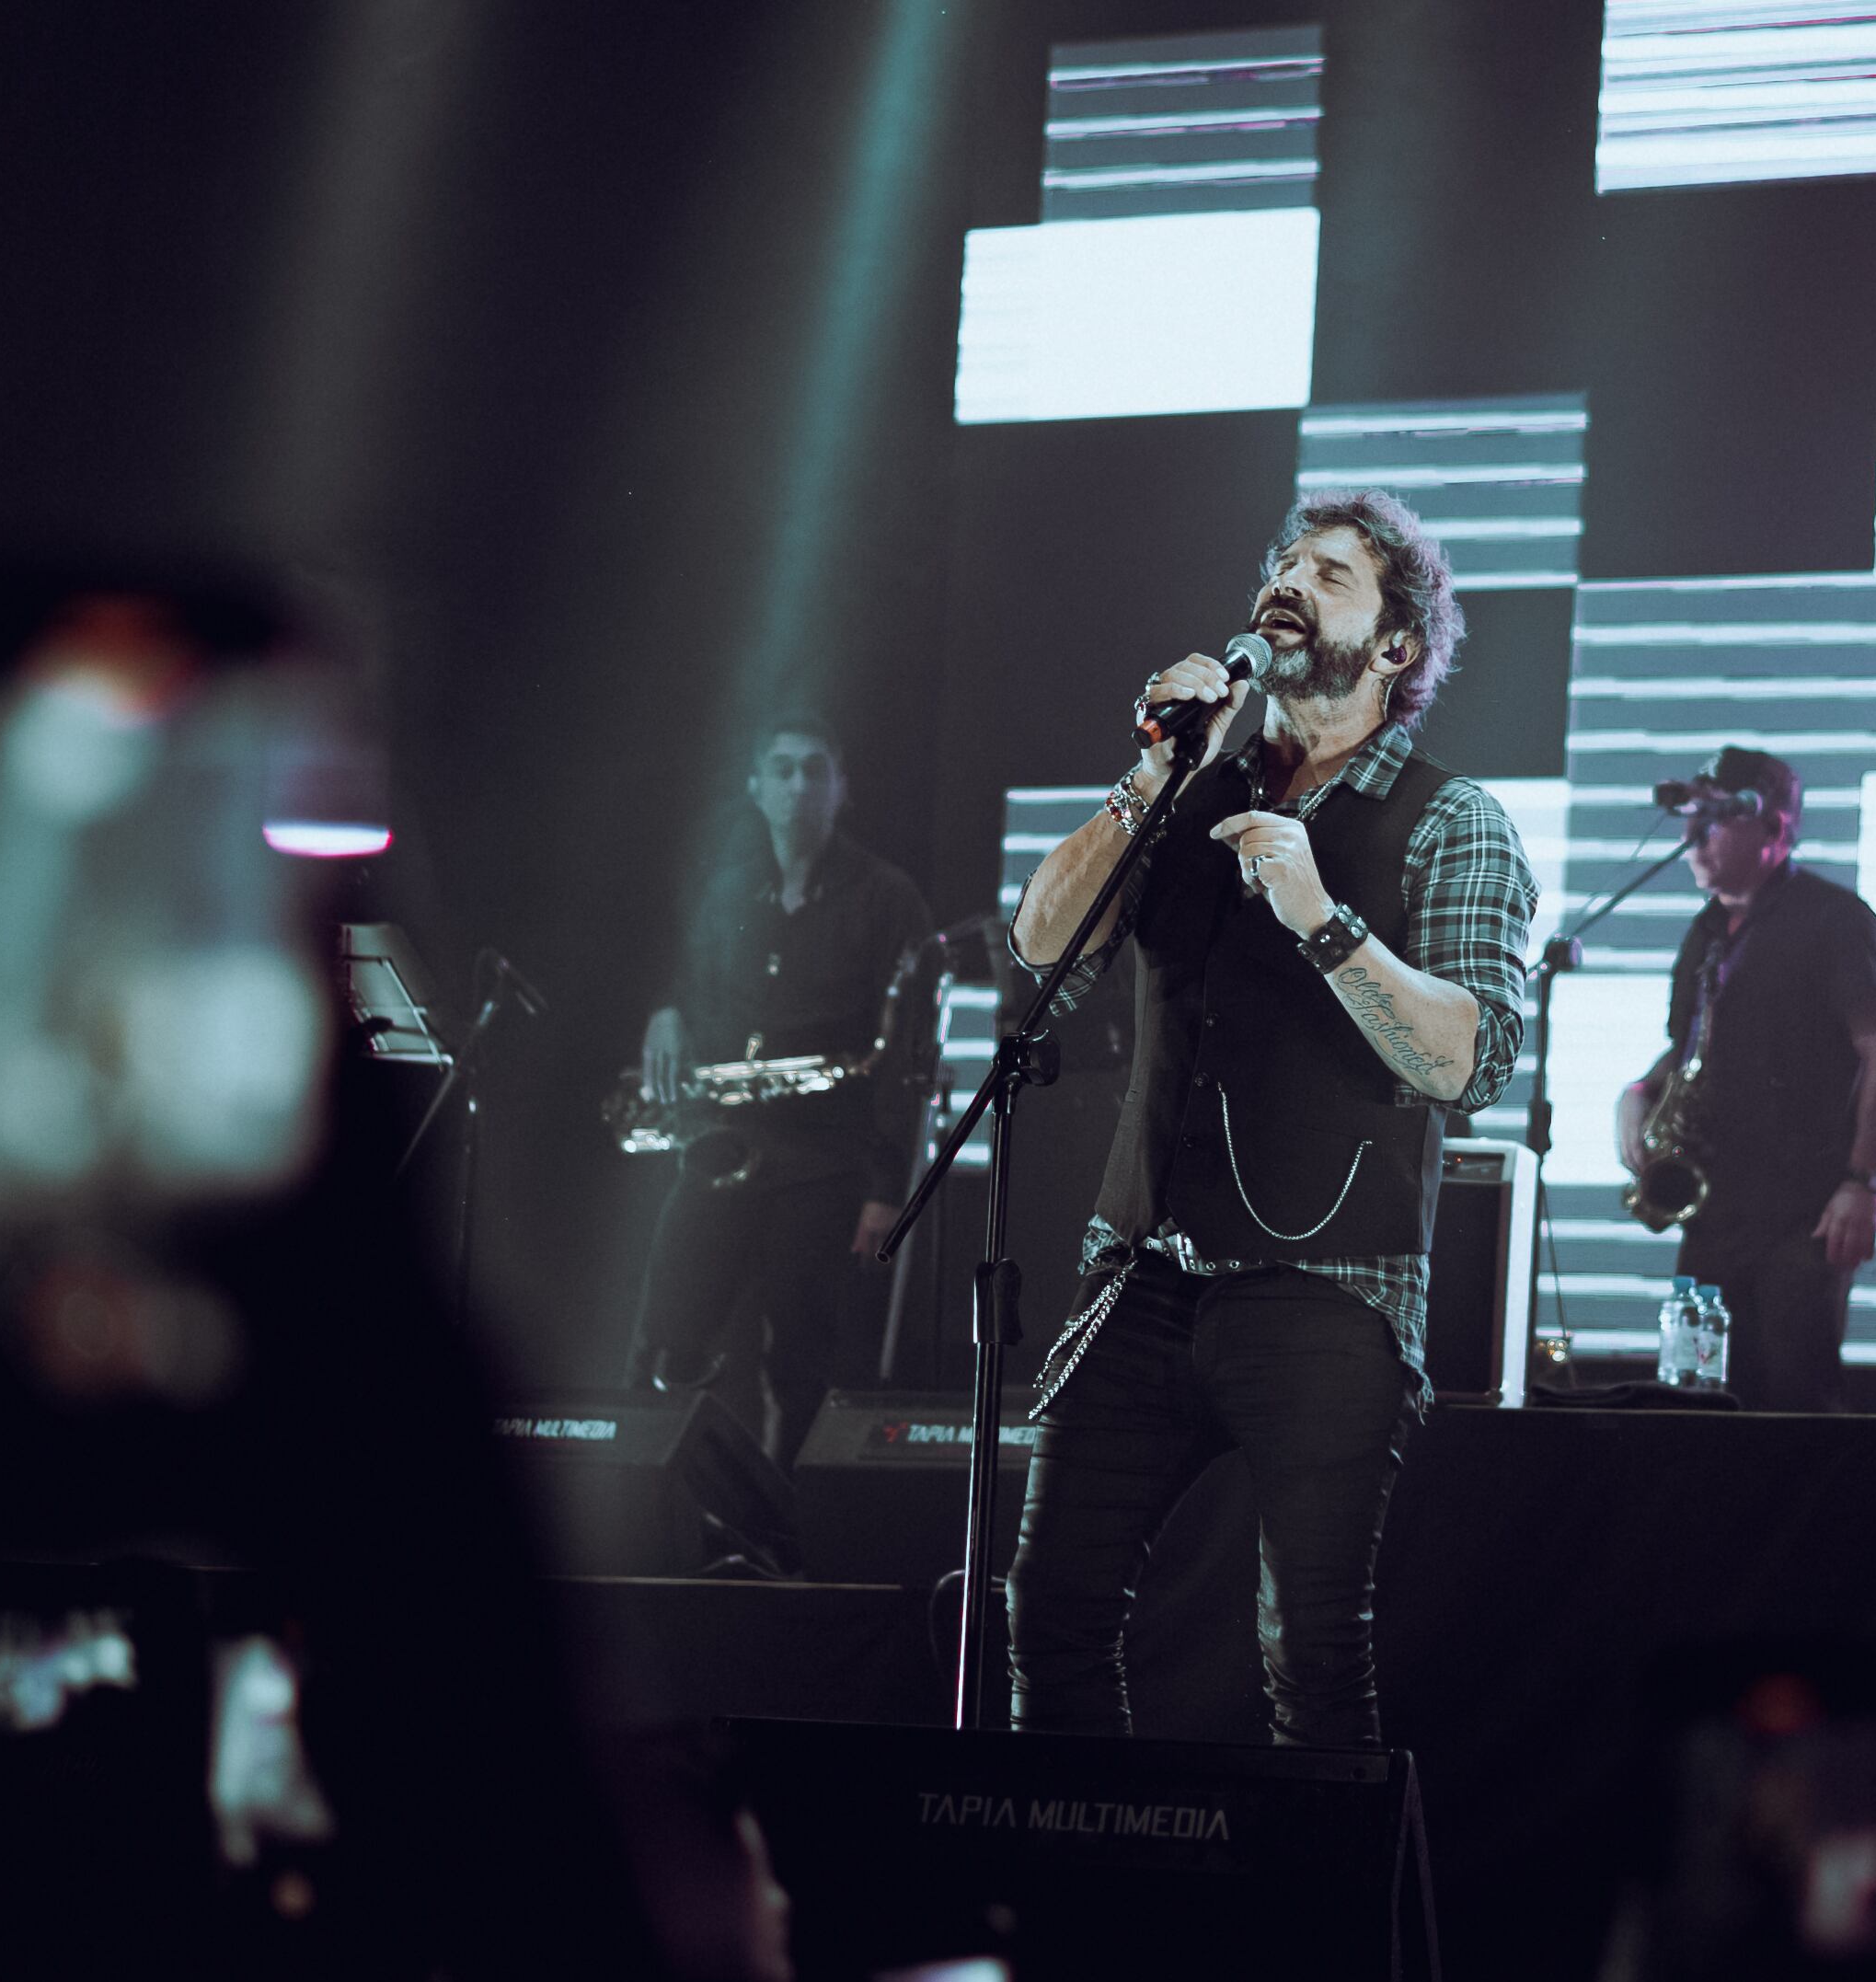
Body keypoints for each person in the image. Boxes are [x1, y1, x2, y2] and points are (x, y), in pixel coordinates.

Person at [1003, 491, 1536, 1747]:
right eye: (1284, 563)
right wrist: (1151, 768)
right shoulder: (1191, 787)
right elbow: (1042, 949)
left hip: (1327, 1291)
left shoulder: (1453, 821)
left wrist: (1323, 920)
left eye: (1332, 573)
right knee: (1051, 1615)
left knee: (1308, 1657)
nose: (1290, 581)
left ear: (1394, 646)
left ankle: (1312, 1939)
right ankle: (1080, 1918)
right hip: (1140, 1272)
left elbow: (1473, 1060)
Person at [631, 720, 932, 1469]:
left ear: (842, 788)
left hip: (826, 1163)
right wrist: (666, 1012)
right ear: (755, 787)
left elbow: (908, 1059)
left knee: (801, 1365)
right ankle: (674, 1511)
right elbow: (686, 980)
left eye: (815, 770)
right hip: (725, 1145)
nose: (799, 785)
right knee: (668, 1330)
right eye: (783, 769)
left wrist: (885, 1188)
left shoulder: (887, 897)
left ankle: (786, 1543)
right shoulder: (729, 891)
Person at [1617, 745, 1876, 1412]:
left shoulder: (1836, 920)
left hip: (1800, 1216)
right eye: (1690, 815)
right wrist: (1638, 1094)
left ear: (1775, 828)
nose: (1693, 835)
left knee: (1794, 1408)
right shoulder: (1705, 931)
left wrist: (1863, 1183)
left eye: (1715, 817)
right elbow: (1689, 1049)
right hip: (1714, 1210)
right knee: (1702, 1405)